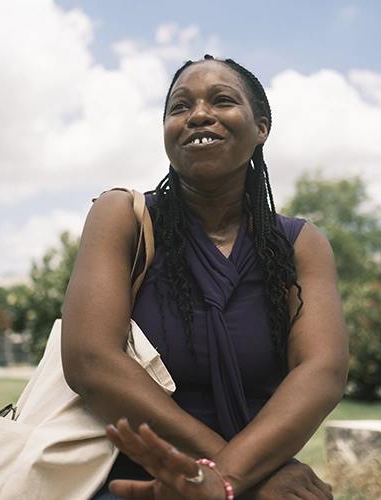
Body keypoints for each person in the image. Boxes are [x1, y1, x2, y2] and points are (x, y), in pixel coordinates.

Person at [61, 55, 349, 500]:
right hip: (136, 476)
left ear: (261, 128)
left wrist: (229, 478)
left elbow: (322, 372)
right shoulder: (123, 218)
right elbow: (91, 362)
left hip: (254, 472)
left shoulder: (299, 244)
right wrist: (229, 477)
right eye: (179, 107)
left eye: (222, 100)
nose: (197, 114)